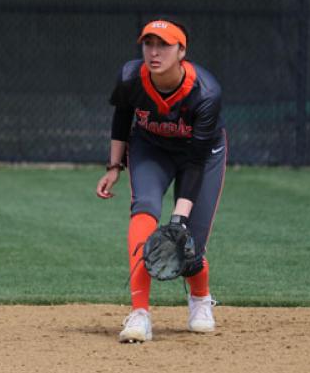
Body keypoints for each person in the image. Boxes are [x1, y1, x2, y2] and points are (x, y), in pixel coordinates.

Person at [96, 18, 227, 343]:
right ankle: (140, 313)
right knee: (144, 210)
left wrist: (179, 218)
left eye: (164, 45)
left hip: (202, 156)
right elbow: (122, 117)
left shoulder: (205, 93)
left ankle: (199, 299)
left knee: (188, 237)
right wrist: (114, 166)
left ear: (182, 51)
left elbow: (196, 160)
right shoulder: (131, 77)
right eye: (148, 44)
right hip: (150, 148)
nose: (154, 52)